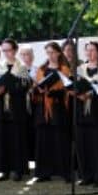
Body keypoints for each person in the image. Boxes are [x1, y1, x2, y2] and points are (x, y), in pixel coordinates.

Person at [0, 38, 32, 181]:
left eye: (9, 50)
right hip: (2, 108)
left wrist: (10, 86)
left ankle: (18, 169)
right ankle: (4, 170)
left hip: (16, 107)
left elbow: (25, 86)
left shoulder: (21, 67)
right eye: (4, 50)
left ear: (15, 50)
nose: (6, 53)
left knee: (17, 138)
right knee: (3, 139)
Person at [75, 41, 98, 185]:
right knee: (82, 144)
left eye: (92, 50)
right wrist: (79, 95)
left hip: (97, 111)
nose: (89, 53)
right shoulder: (80, 69)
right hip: (81, 110)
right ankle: (85, 176)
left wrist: (91, 92)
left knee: (96, 145)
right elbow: (74, 87)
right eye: (87, 50)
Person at [33, 42, 72, 181]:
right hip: (43, 108)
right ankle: (44, 172)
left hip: (59, 107)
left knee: (60, 139)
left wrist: (56, 91)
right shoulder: (41, 69)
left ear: (59, 53)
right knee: (44, 140)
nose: (50, 55)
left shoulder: (64, 68)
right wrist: (39, 89)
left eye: (53, 52)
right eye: (48, 52)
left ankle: (64, 172)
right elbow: (37, 86)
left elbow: (66, 88)